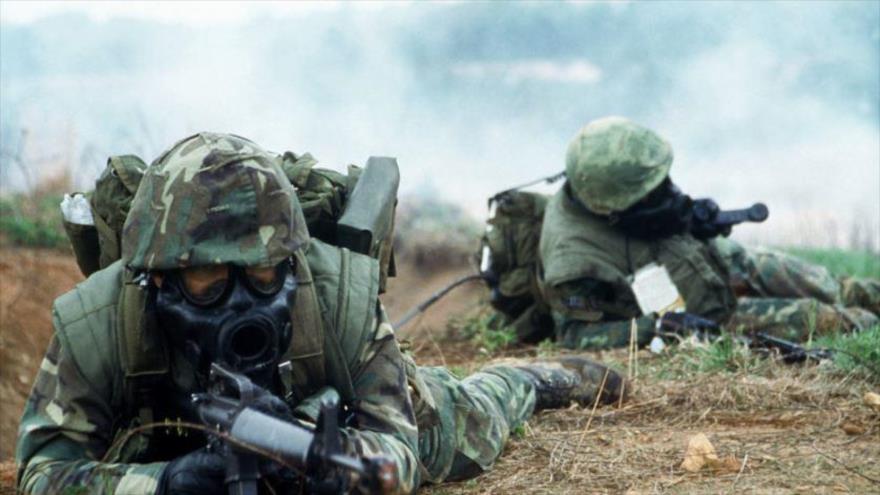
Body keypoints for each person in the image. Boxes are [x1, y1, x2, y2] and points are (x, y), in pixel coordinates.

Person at [15, 132, 627, 494]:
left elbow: (397, 450)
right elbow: (44, 471)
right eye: (208, 281)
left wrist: (326, 462)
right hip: (168, 437)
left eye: (260, 275)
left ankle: (533, 379)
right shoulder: (98, 324)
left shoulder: (335, 296)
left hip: (327, 398)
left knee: (459, 421)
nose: (240, 302)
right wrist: (163, 484)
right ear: (156, 277)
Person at [539, 116, 880, 350]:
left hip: (717, 258)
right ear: (611, 204)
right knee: (842, 322)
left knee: (830, 285)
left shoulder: (607, 185)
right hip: (711, 315)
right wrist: (659, 328)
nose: (663, 190)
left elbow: (647, 206)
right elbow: (574, 334)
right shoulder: (573, 260)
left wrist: (689, 215)